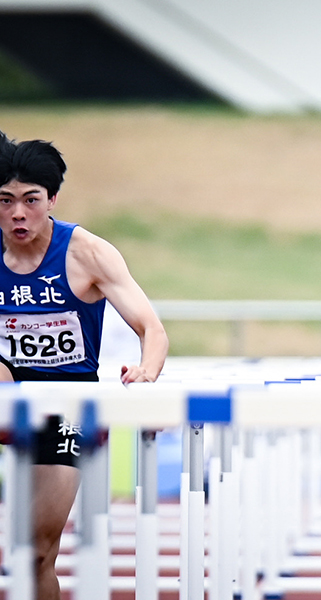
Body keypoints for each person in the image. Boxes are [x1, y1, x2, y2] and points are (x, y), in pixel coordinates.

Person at [0, 130, 169, 599]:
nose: (17, 214)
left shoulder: (87, 253)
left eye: (31, 200)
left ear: (52, 199)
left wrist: (146, 374)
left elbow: (151, 329)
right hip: (5, 394)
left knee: (34, 551)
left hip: (66, 409)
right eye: (5, 200)